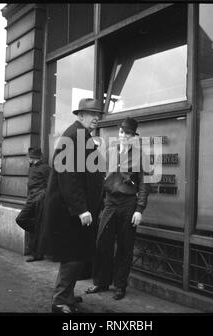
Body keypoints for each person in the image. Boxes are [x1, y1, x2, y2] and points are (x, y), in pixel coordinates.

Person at [41, 98, 104, 314]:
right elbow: (69, 177)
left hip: (74, 210)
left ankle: (66, 295)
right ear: (80, 115)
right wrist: (81, 208)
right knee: (73, 256)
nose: (96, 118)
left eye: (98, 114)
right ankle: (60, 302)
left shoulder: (80, 135)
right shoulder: (75, 135)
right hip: (72, 212)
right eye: (91, 114)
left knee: (74, 255)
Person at [85, 117, 150, 300]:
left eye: (127, 133)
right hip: (110, 202)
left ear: (133, 136)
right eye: (121, 132)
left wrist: (139, 209)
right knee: (102, 243)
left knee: (125, 246)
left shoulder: (141, 155)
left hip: (128, 204)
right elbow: (98, 177)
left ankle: (120, 285)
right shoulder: (108, 152)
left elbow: (145, 184)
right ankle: (101, 282)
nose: (123, 136)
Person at [15, 147, 51, 262]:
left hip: (40, 200)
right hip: (31, 199)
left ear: (33, 157)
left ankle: (36, 254)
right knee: (21, 219)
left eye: (29, 156)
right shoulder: (32, 168)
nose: (28, 158)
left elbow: (50, 186)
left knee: (34, 224)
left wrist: (41, 196)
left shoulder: (46, 168)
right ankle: (39, 229)